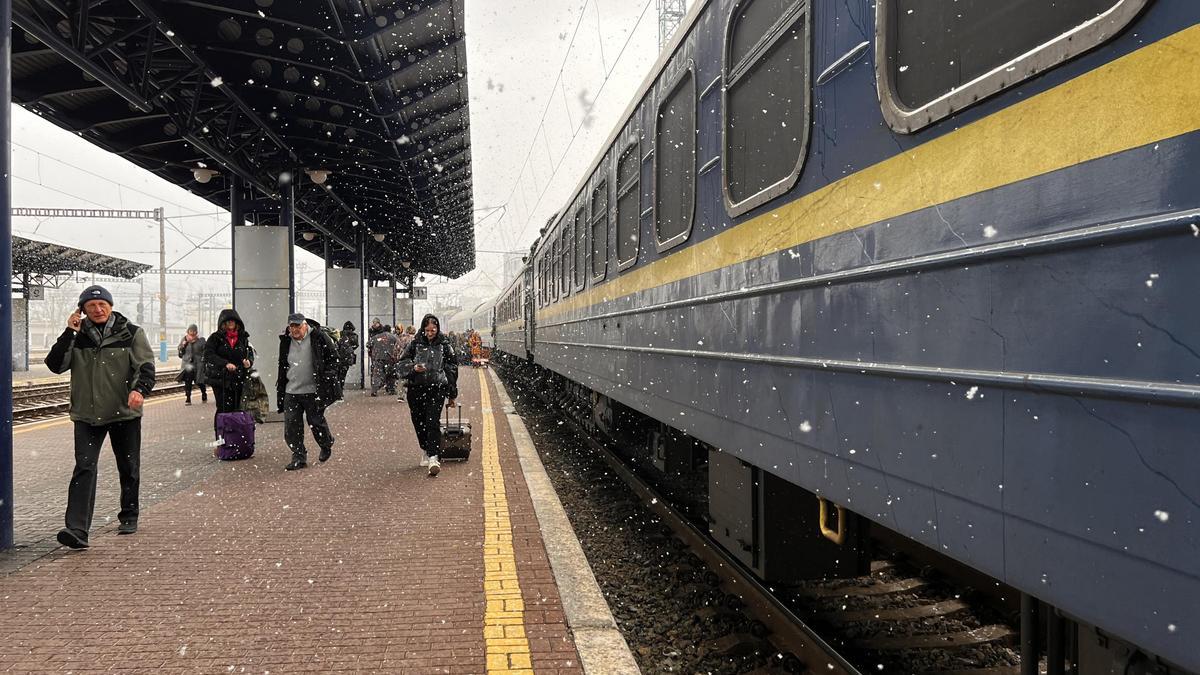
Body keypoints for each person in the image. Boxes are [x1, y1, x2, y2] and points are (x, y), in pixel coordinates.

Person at [45, 285, 155, 548]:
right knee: (84, 467)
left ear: (111, 305)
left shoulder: (131, 333)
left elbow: (146, 366)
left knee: (128, 466)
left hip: (124, 412)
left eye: (102, 304)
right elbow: (55, 365)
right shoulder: (76, 335)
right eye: (91, 306)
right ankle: (77, 530)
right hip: (87, 415)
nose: (97, 309)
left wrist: (139, 390)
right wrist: (69, 332)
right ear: (81, 310)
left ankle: (129, 514)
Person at [276, 313, 342, 470]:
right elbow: (283, 364)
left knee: (316, 422)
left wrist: (327, 377)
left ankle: (326, 444)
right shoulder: (285, 341)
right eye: (292, 326)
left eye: (298, 326)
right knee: (291, 425)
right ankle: (298, 456)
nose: (294, 330)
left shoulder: (319, 337)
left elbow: (334, 359)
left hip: (313, 391)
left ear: (305, 325)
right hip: (291, 391)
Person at [397, 314, 458, 476]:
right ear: (423, 329)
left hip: (437, 389)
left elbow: (452, 369)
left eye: (433, 330)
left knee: (432, 421)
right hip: (416, 389)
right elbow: (401, 363)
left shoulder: (445, 345)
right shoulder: (414, 344)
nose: (430, 333)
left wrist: (452, 394)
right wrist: (413, 368)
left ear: (437, 329)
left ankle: (433, 456)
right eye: (427, 330)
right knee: (418, 421)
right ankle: (425, 447)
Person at [204, 309, 254, 432]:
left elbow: (250, 353)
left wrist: (249, 362)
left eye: (233, 320)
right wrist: (225, 364)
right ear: (223, 323)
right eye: (228, 321)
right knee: (223, 410)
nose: (231, 323)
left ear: (237, 322)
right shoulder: (215, 338)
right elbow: (208, 355)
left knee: (239, 410)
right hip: (221, 379)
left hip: (239, 378)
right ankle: (221, 441)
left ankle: (236, 441)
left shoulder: (243, 337)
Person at [177, 324, 208, 405]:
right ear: (188, 331)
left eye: (194, 331)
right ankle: (188, 398)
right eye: (191, 331)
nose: (192, 333)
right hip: (188, 364)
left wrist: (203, 359)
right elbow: (180, 354)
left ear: (196, 331)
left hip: (198, 364)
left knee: (200, 382)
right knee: (188, 381)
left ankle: (204, 393)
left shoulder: (201, 340)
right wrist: (182, 346)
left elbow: (206, 351)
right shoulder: (184, 340)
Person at [368, 324, 399, 397]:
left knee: (377, 374)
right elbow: (398, 346)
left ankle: (374, 390)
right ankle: (391, 389)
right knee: (391, 374)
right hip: (389, 358)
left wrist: (374, 351)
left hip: (378, 358)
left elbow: (368, 344)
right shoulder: (393, 337)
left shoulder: (376, 337)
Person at [335, 320, 358, 397]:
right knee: (343, 375)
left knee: (337, 375)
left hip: (338, 357)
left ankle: (337, 390)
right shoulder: (353, 335)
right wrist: (350, 349)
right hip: (347, 359)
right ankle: (340, 390)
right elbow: (356, 345)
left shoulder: (339, 334)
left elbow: (336, 344)